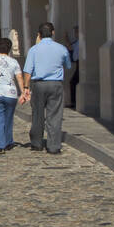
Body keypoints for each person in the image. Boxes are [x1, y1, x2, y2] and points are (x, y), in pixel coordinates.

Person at [22, 21, 73, 153]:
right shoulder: (61, 48)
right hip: (56, 84)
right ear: (53, 33)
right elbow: (68, 65)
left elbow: (28, 70)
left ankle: (37, 143)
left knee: (37, 114)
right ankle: (54, 146)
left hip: (38, 84)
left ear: (39, 34)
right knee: (54, 115)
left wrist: (26, 87)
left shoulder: (34, 49)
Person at [66, 26, 80, 110]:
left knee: (73, 82)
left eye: (76, 32)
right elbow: (70, 47)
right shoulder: (77, 42)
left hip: (80, 63)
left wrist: (66, 38)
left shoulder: (80, 42)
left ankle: (74, 102)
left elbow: (70, 47)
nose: (75, 34)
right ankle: (74, 101)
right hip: (78, 63)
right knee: (74, 82)